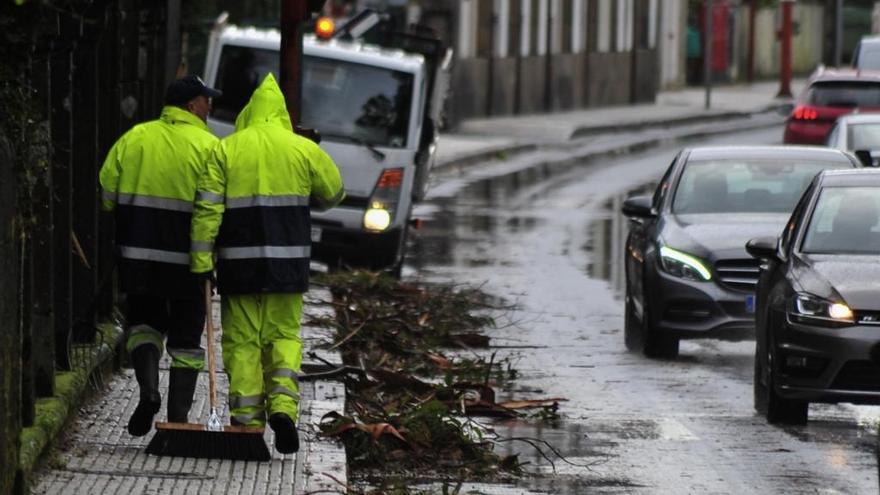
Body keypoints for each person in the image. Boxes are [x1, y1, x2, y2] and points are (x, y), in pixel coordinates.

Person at [190, 73, 344, 453]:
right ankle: (283, 407)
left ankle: (246, 423)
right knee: (283, 337)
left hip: (238, 268)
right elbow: (334, 193)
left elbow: (206, 211)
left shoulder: (226, 150)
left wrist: (201, 262)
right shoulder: (302, 150)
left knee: (242, 342)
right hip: (287, 268)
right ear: (282, 115)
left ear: (248, 113)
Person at [99, 75, 221, 436]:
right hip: (189, 263)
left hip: (139, 258)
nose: (210, 106)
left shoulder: (134, 138)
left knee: (143, 328)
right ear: (190, 105)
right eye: (205, 100)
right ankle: (179, 420)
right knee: (186, 341)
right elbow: (216, 208)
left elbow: (107, 195)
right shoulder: (211, 147)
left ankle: (149, 392)